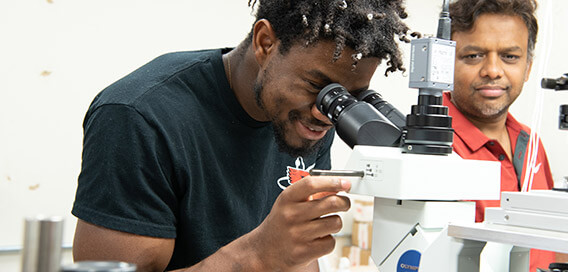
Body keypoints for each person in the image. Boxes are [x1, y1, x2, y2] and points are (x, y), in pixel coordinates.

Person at [70, 1, 413, 271]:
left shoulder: (309, 119)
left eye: (345, 98)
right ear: (266, 43)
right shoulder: (139, 116)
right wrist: (257, 255)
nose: (326, 113)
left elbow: (299, 260)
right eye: (316, 87)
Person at [445, 0, 558, 271]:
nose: (493, 70)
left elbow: (552, 247)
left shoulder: (531, 145)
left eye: (510, 56)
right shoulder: (429, 147)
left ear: (528, 67)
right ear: (444, 64)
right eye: (473, 56)